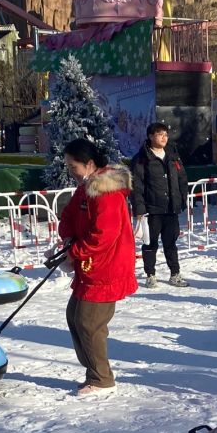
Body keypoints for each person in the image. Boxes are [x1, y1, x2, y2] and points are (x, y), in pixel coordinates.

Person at [55, 137, 137, 395]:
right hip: (89, 266)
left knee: (89, 323)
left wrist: (75, 252)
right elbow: (68, 216)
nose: (71, 172)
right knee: (75, 317)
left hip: (105, 267)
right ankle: (94, 372)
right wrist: (68, 241)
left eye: (73, 166)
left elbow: (104, 234)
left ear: (89, 164)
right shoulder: (86, 187)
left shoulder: (106, 192)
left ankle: (101, 378)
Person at [130, 121, 189, 288]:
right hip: (152, 210)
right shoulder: (141, 159)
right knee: (150, 243)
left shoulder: (173, 155)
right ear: (150, 136)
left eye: (166, 134)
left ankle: (175, 274)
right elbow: (136, 186)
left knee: (171, 242)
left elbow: (182, 178)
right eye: (160, 134)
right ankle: (150, 274)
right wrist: (140, 209)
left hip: (171, 209)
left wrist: (182, 199)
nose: (164, 137)